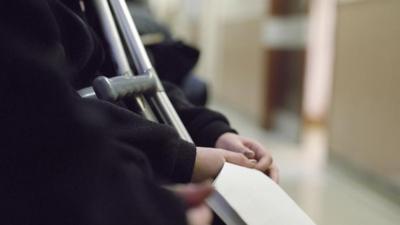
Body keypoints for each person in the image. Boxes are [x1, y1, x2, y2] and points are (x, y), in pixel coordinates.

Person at [0, 0, 278, 224]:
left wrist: (214, 132)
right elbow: (52, 122)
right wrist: (183, 159)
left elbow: (135, 78)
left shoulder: (97, 9)